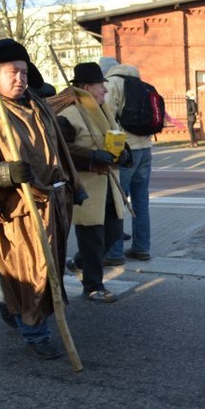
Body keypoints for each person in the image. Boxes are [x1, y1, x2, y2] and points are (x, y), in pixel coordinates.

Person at [0, 39, 86, 359]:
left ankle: (7, 301)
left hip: (53, 202)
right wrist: (4, 174)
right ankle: (35, 333)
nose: (20, 78)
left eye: (24, 72)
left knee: (47, 266)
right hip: (12, 207)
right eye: (12, 72)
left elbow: (58, 151)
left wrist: (74, 186)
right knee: (32, 269)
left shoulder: (36, 103)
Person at [55, 62, 131, 302]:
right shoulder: (69, 114)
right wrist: (90, 156)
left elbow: (114, 137)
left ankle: (79, 264)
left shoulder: (103, 110)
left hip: (109, 185)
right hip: (86, 188)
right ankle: (93, 286)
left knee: (114, 232)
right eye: (101, 86)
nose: (105, 91)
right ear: (87, 87)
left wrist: (125, 153)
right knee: (92, 238)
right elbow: (59, 149)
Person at [100, 58, 153, 263]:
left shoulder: (111, 84)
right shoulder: (141, 83)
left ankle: (114, 253)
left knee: (116, 202)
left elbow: (108, 119)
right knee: (141, 203)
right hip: (146, 149)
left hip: (125, 151)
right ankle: (142, 248)